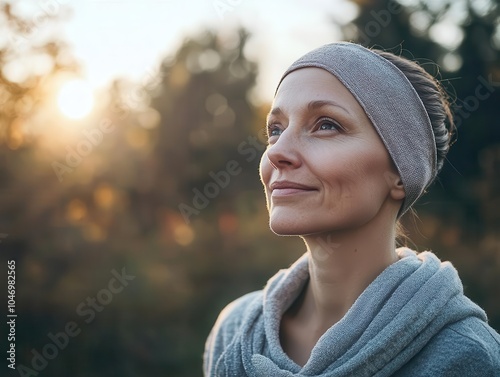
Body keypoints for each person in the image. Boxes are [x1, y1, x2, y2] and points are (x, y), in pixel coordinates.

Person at [203, 42, 500, 376]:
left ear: (401, 174)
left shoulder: (467, 358)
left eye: (326, 124)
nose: (277, 152)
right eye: (275, 130)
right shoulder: (233, 330)